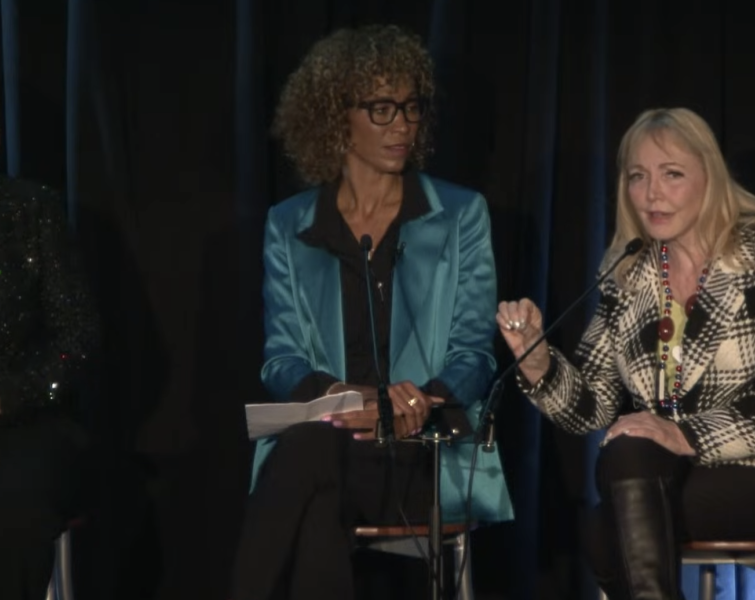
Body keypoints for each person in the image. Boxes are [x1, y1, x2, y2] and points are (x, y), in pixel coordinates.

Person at [231, 24, 511, 600]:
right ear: (337, 116)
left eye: (410, 107)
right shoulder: (290, 224)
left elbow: (473, 354)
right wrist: (343, 397)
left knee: (308, 465)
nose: (401, 125)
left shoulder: (460, 215)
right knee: (316, 467)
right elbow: (281, 358)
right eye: (381, 109)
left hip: (422, 454)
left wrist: (417, 400)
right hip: (330, 447)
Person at [497, 107, 755, 599]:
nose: (652, 193)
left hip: (747, 471)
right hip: (665, 474)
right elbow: (592, 406)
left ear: (710, 177)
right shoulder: (630, 271)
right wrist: (537, 361)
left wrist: (683, 433)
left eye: (672, 175)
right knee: (626, 458)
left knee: (606, 526)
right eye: (638, 176)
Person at [0, 48, 99, 599]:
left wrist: (0, 397)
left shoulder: (30, 210)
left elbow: (79, 336)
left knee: (15, 508)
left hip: (24, 424)